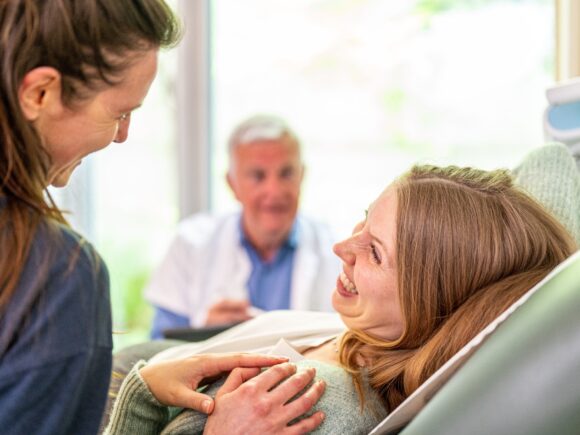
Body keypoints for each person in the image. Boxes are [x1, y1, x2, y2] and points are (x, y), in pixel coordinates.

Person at [0, 1, 326, 434]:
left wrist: (140, 386)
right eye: (119, 113)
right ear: (40, 93)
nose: (122, 135)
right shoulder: (57, 273)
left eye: (286, 173)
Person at [105, 150, 579, 434]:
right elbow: (551, 163)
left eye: (374, 252)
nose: (341, 247)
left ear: (429, 300)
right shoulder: (369, 335)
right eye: (364, 218)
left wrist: (143, 391)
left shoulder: (311, 405)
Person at [145, 115, 340, 337]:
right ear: (232, 184)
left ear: (302, 176)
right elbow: (159, 348)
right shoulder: (190, 243)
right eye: (258, 176)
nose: (274, 191)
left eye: (286, 174)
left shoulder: (337, 252)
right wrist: (204, 336)